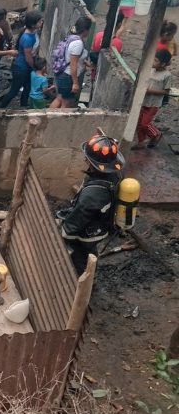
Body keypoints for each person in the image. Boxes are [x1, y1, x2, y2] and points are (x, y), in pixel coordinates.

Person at [61, 132, 124, 274]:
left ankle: (85, 280)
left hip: (89, 231)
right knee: (90, 251)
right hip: (102, 223)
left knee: (80, 255)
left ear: (91, 161)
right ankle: (91, 270)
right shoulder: (114, 174)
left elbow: (79, 216)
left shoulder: (93, 193)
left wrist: (65, 231)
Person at [0, 10, 43, 108]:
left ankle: (23, 106)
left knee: (27, 87)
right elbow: (28, 58)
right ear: (32, 24)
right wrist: (35, 68)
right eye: (39, 21)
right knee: (14, 90)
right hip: (21, 67)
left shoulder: (29, 33)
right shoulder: (28, 38)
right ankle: (1, 108)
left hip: (24, 67)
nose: (41, 23)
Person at [132, 50, 172, 150]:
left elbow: (166, 92)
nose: (153, 62)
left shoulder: (167, 75)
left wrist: (150, 91)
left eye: (156, 60)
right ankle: (141, 142)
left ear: (163, 63)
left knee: (145, 123)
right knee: (139, 122)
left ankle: (156, 134)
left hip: (154, 103)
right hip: (144, 100)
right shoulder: (151, 70)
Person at [50, 16, 93, 109]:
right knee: (66, 103)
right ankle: (57, 122)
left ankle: (47, 118)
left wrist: (84, 62)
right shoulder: (78, 43)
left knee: (59, 99)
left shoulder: (71, 37)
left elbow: (72, 57)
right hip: (67, 77)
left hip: (62, 74)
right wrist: (75, 83)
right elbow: (73, 65)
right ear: (85, 30)